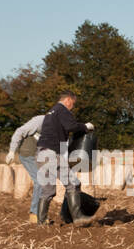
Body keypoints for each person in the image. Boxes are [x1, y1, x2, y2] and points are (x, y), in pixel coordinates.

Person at [35, 92, 94, 227]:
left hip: (41, 154)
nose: (72, 106)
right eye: (73, 103)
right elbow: (71, 126)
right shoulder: (62, 110)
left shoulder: (52, 112)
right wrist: (85, 127)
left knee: (48, 190)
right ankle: (78, 218)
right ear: (68, 100)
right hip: (51, 154)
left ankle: (41, 222)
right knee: (73, 184)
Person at [5, 111, 45, 224]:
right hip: (28, 155)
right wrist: (12, 151)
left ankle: (41, 213)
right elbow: (19, 132)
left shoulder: (58, 126)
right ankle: (34, 214)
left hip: (40, 156)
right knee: (40, 182)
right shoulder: (39, 121)